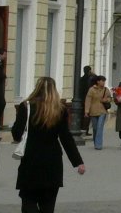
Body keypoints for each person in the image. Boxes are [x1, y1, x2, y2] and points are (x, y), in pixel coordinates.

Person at [11, 77, 85, 213]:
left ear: (36, 89)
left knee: (28, 199)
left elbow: (16, 134)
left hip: (30, 160)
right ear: (53, 90)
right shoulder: (60, 110)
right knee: (48, 205)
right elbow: (66, 138)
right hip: (52, 162)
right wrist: (78, 162)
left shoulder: (26, 107)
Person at [82, 75, 112, 150]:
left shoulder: (106, 89)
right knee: (95, 128)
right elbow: (88, 100)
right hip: (93, 111)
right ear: (98, 81)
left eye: (104, 81)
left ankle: (98, 145)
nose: (103, 82)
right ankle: (96, 142)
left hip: (102, 111)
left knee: (99, 127)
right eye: (102, 81)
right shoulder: (92, 89)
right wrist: (86, 111)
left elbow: (110, 98)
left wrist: (106, 100)